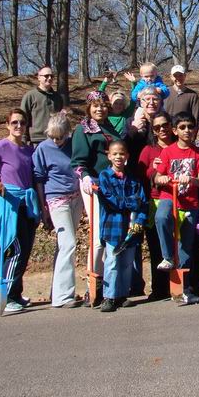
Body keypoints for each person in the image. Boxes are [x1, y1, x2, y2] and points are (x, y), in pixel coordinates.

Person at [0, 108, 39, 312]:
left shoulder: (29, 150)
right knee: (15, 248)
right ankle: (5, 295)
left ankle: (16, 293)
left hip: (27, 204)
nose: (18, 126)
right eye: (14, 123)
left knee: (26, 249)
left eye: (22, 122)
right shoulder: (1, 146)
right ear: (8, 125)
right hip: (9, 202)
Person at [153, 111, 199, 305]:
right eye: (182, 127)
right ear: (175, 131)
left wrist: (191, 179)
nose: (187, 131)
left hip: (189, 203)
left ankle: (183, 289)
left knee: (186, 247)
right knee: (161, 218)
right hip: (170, 197)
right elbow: (157, 177)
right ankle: (167, 256)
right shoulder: (168, 151)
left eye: (190, 127)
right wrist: (162, 178)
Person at [71, 91, 119, 306]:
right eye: (95, 106)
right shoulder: (83, 130)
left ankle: (111, 283)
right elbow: (78, 161)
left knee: (111, 234)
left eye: (103, 106)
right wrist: (86, 177)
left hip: (113, 185)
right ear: (88, 108)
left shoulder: (110, 127)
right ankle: (93, 284)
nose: (100, 109)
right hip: (94, 184)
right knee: (98, 235)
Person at [33, 111, 82, 308]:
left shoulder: (73, 144)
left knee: (63, 245)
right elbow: (38, 178)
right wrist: (43, 207)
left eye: (60, 137)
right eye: (52, 137)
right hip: (55, 198)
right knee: (68, 243)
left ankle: (57, 290)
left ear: (67, 133)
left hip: (75, 197)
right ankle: (64, 297)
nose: (56, 141)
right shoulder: (43, 148)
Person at [97, 140, 148, 311]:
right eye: (115, 154)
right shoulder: (104, 177)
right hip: (113, 227)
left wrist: (139, 222)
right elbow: (112, 201)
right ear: (109, 156)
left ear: (127, 156)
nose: (119, 157)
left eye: (122, 153)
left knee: (127, 263)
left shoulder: (134, 179)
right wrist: (132, 202)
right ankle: (109, 296)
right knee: (112, 261)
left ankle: (121, 294)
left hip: (131, 229)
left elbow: (142, 202)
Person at [136, 111, 175, 300]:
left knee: (176, 244)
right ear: (153, 130)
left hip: (178, 200)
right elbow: (141, 174)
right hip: (155, 200)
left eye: (165, 125)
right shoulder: (148, 150)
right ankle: (159, 289)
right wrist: (154, 167)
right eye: (158, 127)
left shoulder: (179, 145)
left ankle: (177, 286)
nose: (162, 130)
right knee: (156, 245)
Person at [21, 66, 64, 146]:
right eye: (46, 76)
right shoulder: (30, 96)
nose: (49, 78)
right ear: (39, 77)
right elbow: (22, 119)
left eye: (51, 76)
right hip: (36, 141)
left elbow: (60, 120)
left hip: (54, 140)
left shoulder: (58, 98)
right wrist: (23, 139)